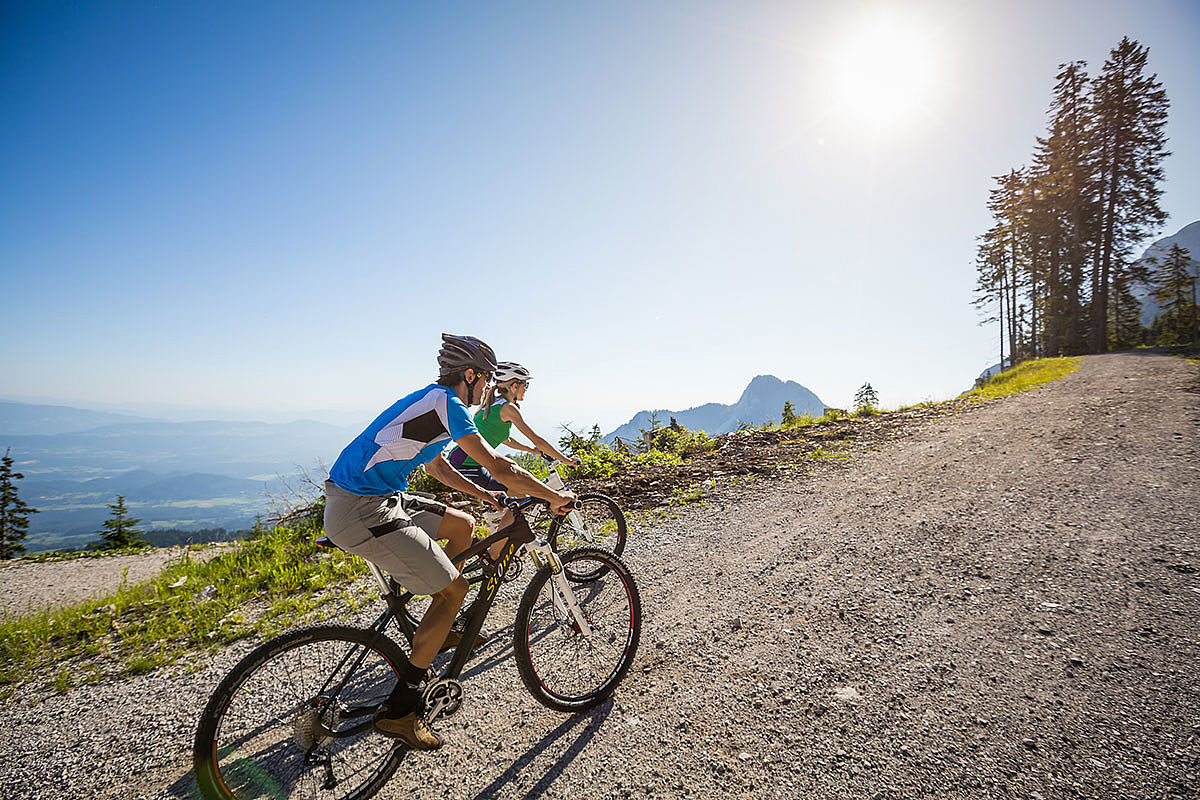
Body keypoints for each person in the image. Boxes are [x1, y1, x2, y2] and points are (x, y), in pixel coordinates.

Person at [323, 334, 574, 750]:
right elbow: (498, 463)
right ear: (471, 376)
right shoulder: (448, 404)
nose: (488, 389)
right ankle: (403, 710)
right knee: (454, 590)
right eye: (487, 379)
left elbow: (438, 466)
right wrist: (552, 496)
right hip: (361, 510)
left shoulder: (433, 404)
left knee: (462, 526)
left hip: (374, 498)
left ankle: (447, 627)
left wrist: (484, 496)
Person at [446, 361, 578, 497]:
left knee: (518, 496)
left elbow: (504, 439)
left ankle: (504, 517)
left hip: (466, 462)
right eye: (525, 385)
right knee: (520, 494)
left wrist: (531, 450)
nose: (526, 389)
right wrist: (567, 460)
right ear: (514, 386)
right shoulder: (508, 408)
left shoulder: (493, 404)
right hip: (466, 466)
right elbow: (537, 440)